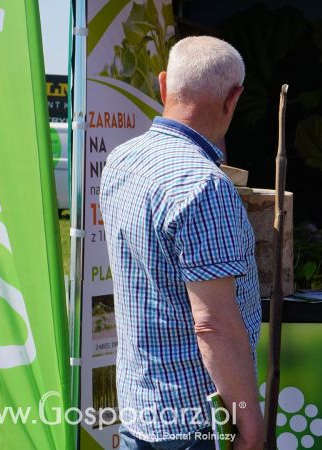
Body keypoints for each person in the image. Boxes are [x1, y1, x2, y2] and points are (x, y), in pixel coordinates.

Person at [100, 36, 264, 450]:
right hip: (194, 422)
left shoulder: (122, 158)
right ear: (233, 98)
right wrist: (249, 419)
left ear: (163, 86)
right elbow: (213, 324)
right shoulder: (204, 184)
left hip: (140, 408)